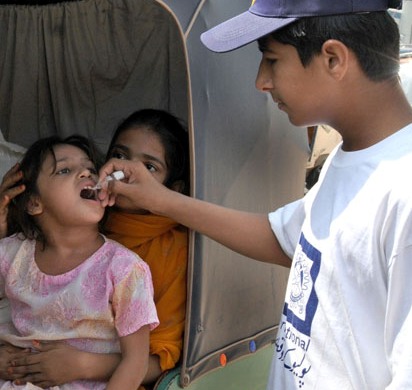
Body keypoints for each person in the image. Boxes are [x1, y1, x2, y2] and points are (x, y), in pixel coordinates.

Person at [97, 0, 412, 389]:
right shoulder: (351, 159)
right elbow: (281, 239)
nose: (261, 82)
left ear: (333, 58)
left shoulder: (402, 189)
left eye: (272, 60)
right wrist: (158, 199)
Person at [0, 109, 189, 388]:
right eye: (120, 156)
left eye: (149, 167)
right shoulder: (30, 244)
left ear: (173, 187)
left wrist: (81, 364)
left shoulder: (131, 265)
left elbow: (146, 360)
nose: (126, 172)